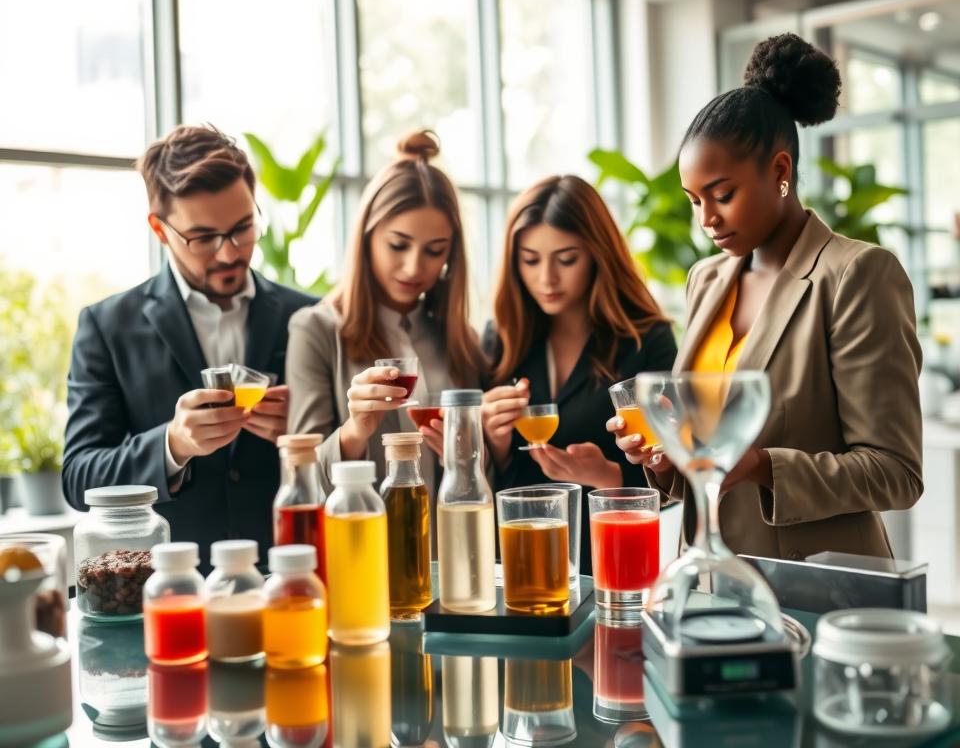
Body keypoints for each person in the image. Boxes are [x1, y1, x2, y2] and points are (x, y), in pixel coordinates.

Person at [609, 33, 923, 559]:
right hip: (712, 578)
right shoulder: (706, 280)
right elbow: (704, 461)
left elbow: (896, 472)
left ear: (780, 171)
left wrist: (761, 466)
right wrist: (664, 457)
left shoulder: (856, 274)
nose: (707, 219)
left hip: (819, 582)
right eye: (694, 201)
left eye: (722, 195)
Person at [63, 125, 314, 565]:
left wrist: (309, 430)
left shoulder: (309, 316)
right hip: (169, 584)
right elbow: (80, 476)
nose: (229, 253)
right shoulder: (107, 327)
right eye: (203, 238)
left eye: (243, 228)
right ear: (159, 229)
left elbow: (355, 449)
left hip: (295, 574)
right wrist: (173, 445)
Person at [481, 175, 677, 574]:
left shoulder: (646, 340)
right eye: (530, 260)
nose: (546, 278)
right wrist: (494, 443)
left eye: (566, 259)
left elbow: (676, 469)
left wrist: (609, 476)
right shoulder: (502, 339)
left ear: (597, 254)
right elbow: (489, 480)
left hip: (610, 562)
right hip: (517, 562)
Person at [286, 130, 485, 505]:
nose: (414, 267)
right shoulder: (317, 330)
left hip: (453, 535)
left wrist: (470, 454)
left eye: (435, 251)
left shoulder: (461, 341)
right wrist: (356, 429)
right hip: (366, 536)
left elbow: (484, 477)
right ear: (366, 237)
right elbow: (301, 479)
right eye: (398, 245)